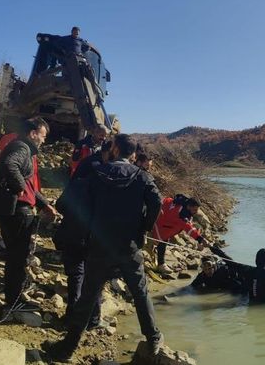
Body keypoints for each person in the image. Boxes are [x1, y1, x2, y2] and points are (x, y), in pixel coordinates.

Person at [43, 134, 163, 362]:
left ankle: (67, 348)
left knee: (89, 295)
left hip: (99, 245)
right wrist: (144, 227)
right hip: (129, 246)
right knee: (140, 293)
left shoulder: (98, 174)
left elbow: (73, 202)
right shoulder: (142, 176)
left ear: (115, 149)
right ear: (134, 154)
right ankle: (153, 337)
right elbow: (156, 201)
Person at [0, 117, 57, 312]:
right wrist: (19, 187)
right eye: (43, 136)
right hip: (15, 210)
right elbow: (9, 165)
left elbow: (31, 185)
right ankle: (14, 301)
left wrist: (44, 204)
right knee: (18, 257)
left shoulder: (24, 149)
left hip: (10, 209)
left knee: (16, 255)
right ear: (33, 133)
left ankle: (13, 294)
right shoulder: (22, 148)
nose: (44, 140)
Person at [53, 140, 112, 329]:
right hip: (93, 237)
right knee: (94, 277)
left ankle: (72, 317)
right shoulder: (107, 185)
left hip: (72, 233)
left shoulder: (77, 181)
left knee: (76, 276)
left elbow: (60, 205)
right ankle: (93, 319)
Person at [149, 195, 206, 274]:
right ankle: (160, 264)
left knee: (165, 238)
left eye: (197, 209)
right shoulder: (181, 214)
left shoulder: (183, 204)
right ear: (189, 206)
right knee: (162, 240)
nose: (196, 212)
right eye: (194, 209)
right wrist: (200, 239)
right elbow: (188, 228)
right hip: (158, 220)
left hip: (162, 216)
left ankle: (160, 262)